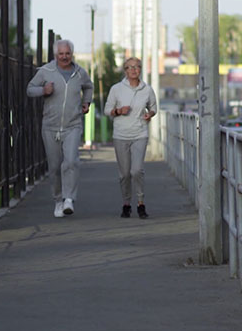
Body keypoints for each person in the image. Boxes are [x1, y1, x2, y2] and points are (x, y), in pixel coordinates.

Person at [27, 39, 93, 217]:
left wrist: (87, 102)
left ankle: (69, 198)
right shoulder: (45, 71)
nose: (64, 57)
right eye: (61, 54)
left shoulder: (80, 72)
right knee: (55, 167)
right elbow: (30, 89)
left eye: (67, 54)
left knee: (71, 161)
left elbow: (89, 86)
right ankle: (58, 200)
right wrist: (43, 91)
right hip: (50, 126)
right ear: (56, 55)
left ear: (72, 54)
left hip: (73, 125)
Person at [103, 57, 157, 219]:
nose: (134, 70)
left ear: (141, 70)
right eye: (130, 67)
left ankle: (141, 203)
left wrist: (150, 114)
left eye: (137, 67)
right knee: (125, 174)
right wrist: (118, 111)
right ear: (125, 70)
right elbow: (107, 110)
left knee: (136, 170)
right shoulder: (116, 89)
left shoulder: (147, 90)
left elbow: (153, 107)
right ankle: (126, 204)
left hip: (140, 134)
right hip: (121, 135)